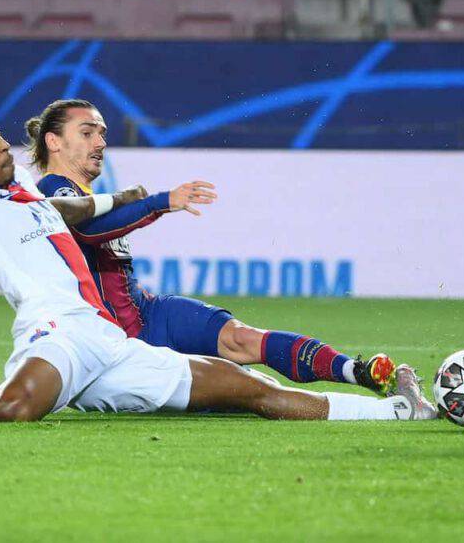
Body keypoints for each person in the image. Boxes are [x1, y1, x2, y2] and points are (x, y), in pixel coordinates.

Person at [0, 96, 437, 423]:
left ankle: (399, 411)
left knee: (247, 387)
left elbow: (82, 213)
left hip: (111, 340)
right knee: (13, 412)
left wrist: (128, 198)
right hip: (58, 335)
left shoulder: (30, 202)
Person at [23, 98, 397, 395]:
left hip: (148, 313)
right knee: (239, 391)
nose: (101, 142)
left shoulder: (92, 195)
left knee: (241, 338)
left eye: (102, 133)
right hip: (112, 344)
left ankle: (357, 371)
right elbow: (89, 230)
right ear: (53, 141)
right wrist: (159, 201)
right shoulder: (54, 192)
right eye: (88, 132)